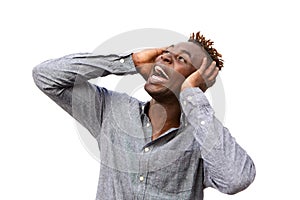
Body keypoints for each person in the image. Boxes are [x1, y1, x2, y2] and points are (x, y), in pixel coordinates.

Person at [32, 31, 255, 199]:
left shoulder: (203, 139)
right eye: (166, 53)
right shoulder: (112, 110)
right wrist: (128, 61)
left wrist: (191, 96)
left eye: (182, 59)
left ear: (197, 81)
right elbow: (46, 77)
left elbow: (236, 179)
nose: (166, 58)